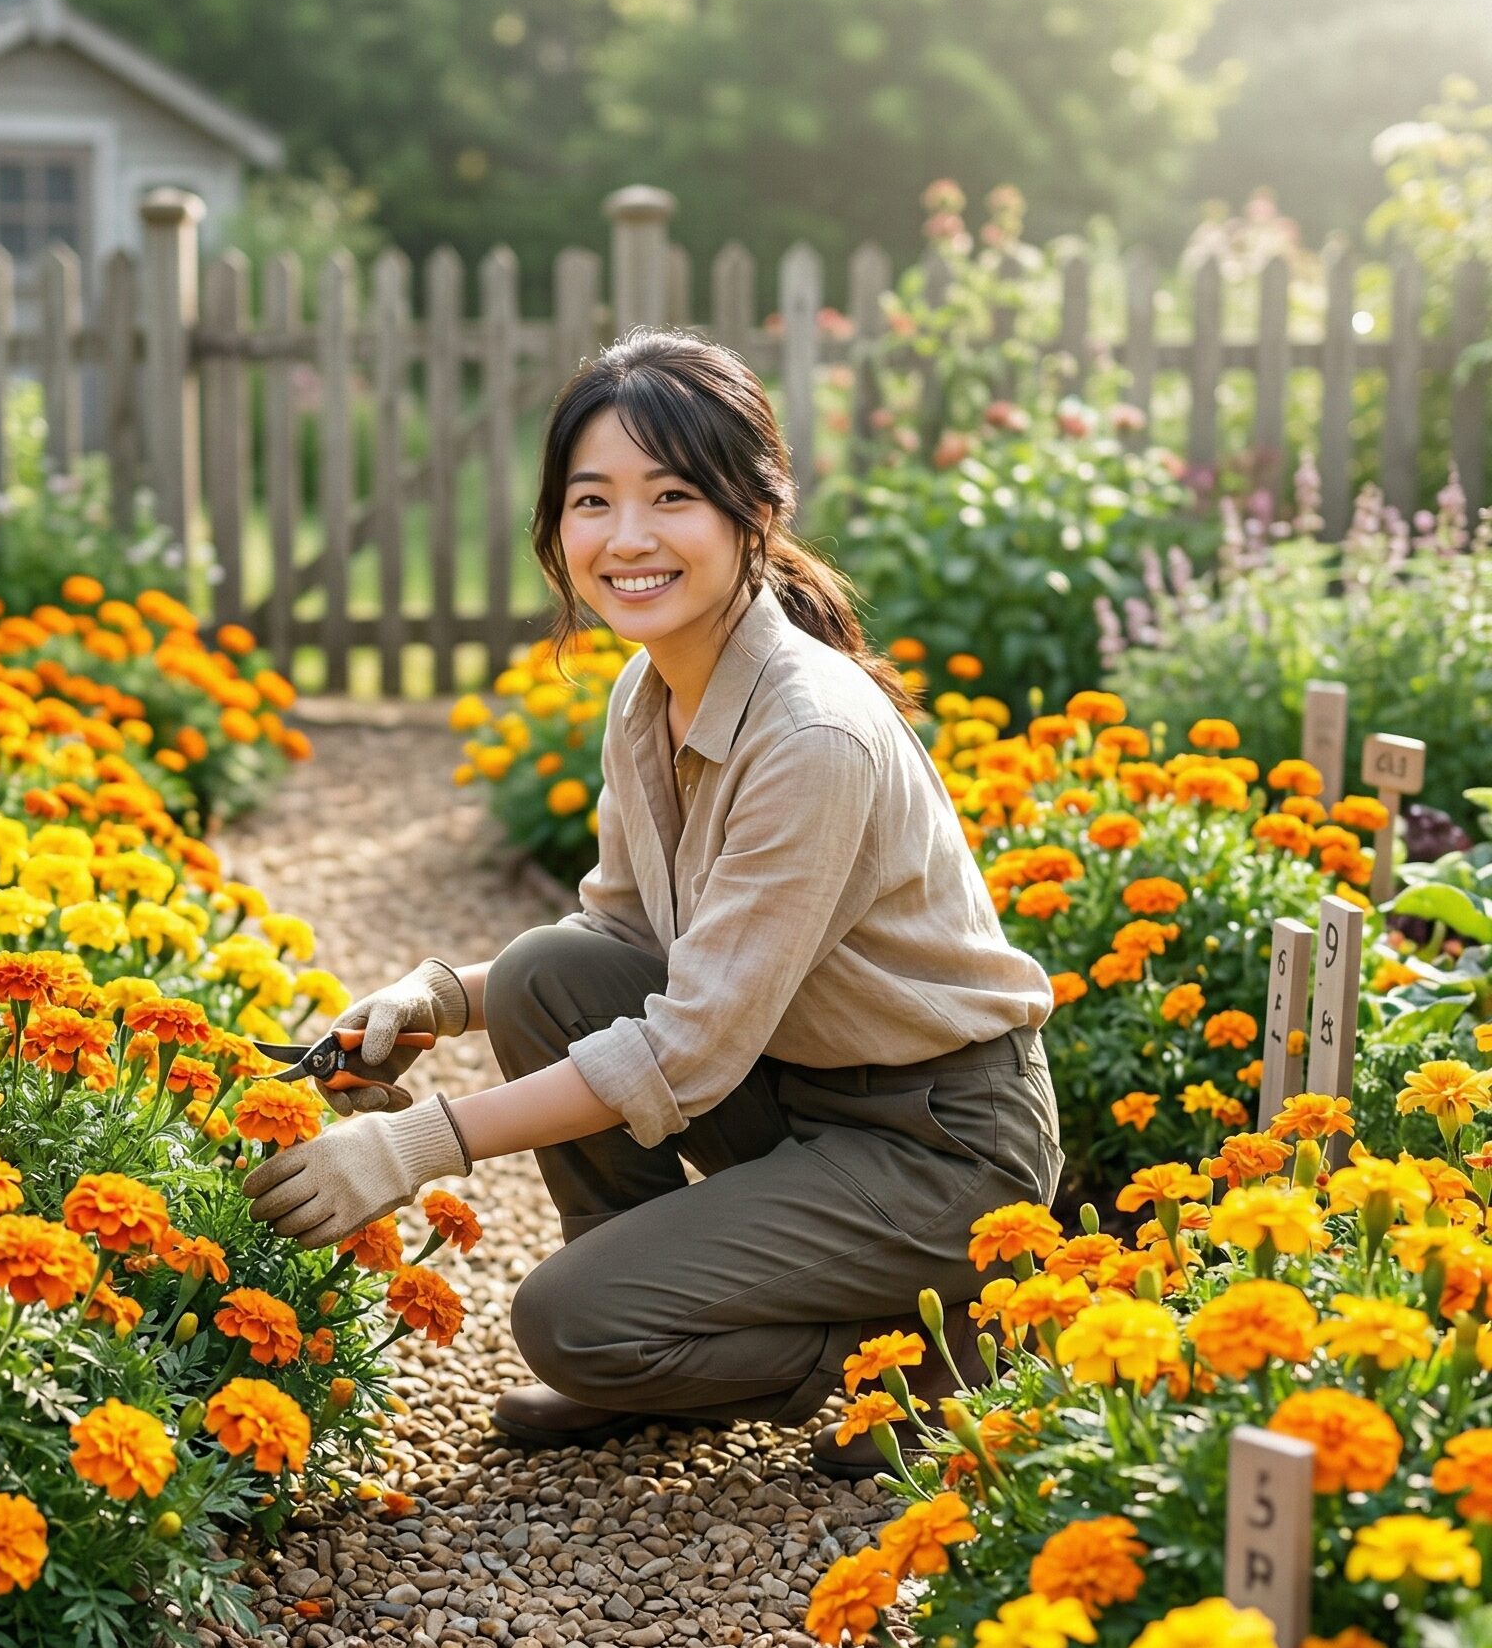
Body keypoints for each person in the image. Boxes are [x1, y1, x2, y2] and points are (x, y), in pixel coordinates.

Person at [244, 327, 1062, 1470]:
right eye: (592, 500)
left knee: (567, 1321)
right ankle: (656, 1338)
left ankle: (934, 1346)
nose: (626, 537)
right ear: (556, 525)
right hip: (795, 1087)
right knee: (543, 972)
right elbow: (619, 936)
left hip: (940, 1144)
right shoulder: (647, 691)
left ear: (753, 510)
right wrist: (436, 998)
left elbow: (686, 1046)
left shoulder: (810, 731)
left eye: (670, 495)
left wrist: (411, 1145)